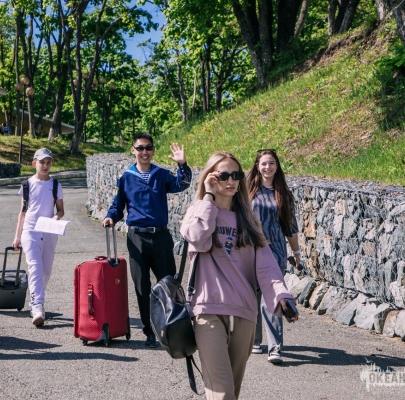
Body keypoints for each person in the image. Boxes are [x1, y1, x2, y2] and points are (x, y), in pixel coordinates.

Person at [180, 151, 297, 400]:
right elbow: (198, 237)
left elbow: (266, 266)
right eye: (223, 175)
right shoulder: (198, 212)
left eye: (236, 175)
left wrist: (281, 294)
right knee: (222, 392)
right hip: (208, 310)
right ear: (210, 177)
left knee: (232, 390)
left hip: (244, 313)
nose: (231, 181)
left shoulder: (248, 220)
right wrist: (209, 196)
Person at [102, 133, 192, 347]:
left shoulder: (161, 174)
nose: (145, 152)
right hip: (137, 238)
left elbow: (182, 184)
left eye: (148, 148)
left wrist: (182, 164)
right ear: (133, 150)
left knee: (169, 284)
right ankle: (150, 331)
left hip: (161, 237)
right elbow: (118, 205)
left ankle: (172, 328)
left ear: (153, 150)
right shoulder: (127, 177)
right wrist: (110, 217)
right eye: (140, 148)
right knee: (142, 288)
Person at [246, 149, 301, 364]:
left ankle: (275, 347)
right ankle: (254, 339)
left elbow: (290, 227)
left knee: (273, 296)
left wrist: (296, 252)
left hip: (275, 251)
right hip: (251, 249)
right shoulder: (247, 191)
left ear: (277, 167)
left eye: (271, 163)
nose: (267, 167)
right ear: (257, 166)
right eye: (263, 163)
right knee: (252, 296)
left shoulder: (283, 194)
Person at [12, 148, 64, 327]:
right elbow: (22, 212)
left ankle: (35, 299)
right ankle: (37, 306)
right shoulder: (27, 185)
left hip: (49, 231)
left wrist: (56, 217)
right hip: (30, 230)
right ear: (34, 163)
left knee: (45, 270)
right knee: (34, 267)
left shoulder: (56, 185)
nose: (45, 166)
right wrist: (17, 236)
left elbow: (61, 210)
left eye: (48, 162)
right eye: (42, 162)